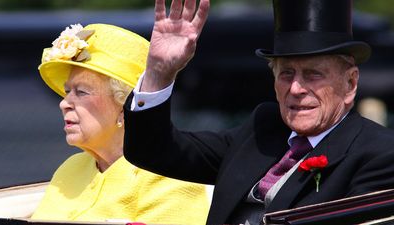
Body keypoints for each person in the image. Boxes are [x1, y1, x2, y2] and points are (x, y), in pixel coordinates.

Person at [123, 0, 394, 224]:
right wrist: (160, 73)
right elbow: (155, 151)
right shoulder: (263, 128)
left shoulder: (379, 153)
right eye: (286, 74)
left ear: (350, 83)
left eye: (313, 75)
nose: (296, 88)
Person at [31, 23, 210, 224]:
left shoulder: (169, 174)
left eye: (81, 92)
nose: (64, 103)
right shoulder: (71, 168)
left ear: (123, 107)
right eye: (67, 92)